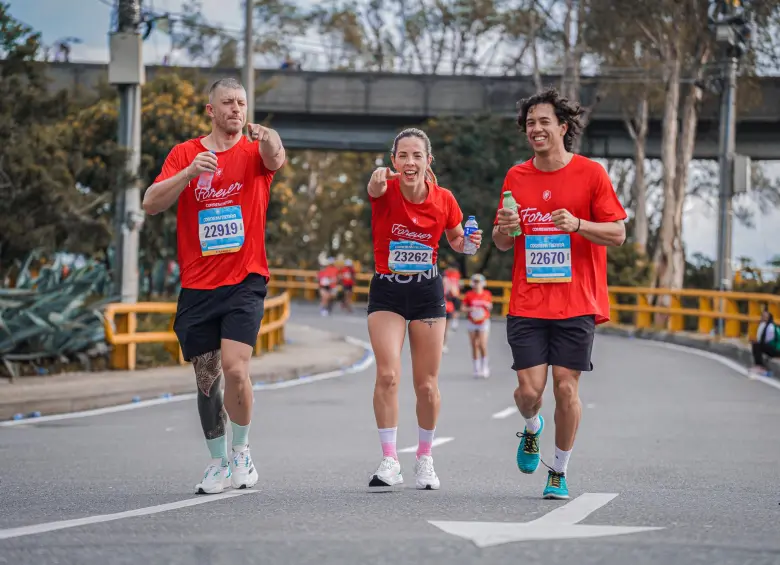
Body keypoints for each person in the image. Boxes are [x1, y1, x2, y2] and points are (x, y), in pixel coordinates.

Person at [142, 77, 286, 494]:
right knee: (207, 379)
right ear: (211, 109)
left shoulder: (255, 152)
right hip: (198, 285)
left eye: (241, 103)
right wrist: (189, 172)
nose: (236, 109)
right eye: (227, 102)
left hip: (245, 279)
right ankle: (218, 462)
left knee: (237, 369)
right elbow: (151, 203)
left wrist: (270, 135)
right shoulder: (185, 153)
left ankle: (242, 451)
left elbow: (276, 158)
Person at [492, 87, 627, 500]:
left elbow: (618, 234)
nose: (536, 129)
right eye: (530, 123)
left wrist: (579, 225)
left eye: (544, 122)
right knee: (529, 393)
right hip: (529, 301)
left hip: (576, 301)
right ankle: (532, 427)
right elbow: (501, 242)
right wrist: (504, 227)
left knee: (566, 389)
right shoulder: (516, 177)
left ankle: (559, 471)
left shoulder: (591, 174)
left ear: (563, 127)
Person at [365, 127, 482, 490]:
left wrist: (469, 245)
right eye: (403, 156)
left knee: (427, 386)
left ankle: (425, 458)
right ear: (394, 161)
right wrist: (375, 179)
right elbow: (373, 188)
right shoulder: (385, 189)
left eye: (417, 155)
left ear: (428, 161)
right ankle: (389, 460)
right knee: (387, 375)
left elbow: (457, 239)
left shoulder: (444, 199)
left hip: (427, 292)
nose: (410, 162)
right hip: (387, 291)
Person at [462, 273, 493, 378]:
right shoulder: (469, 295)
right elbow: (463, 308)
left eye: (479, 282)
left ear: (482, 283)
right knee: (474, 345)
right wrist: (471, 309)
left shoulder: (487, 294)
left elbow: (490, 306)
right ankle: (476, 368)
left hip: (483, 322)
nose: (477, 284)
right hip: (472, 321)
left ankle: (485, 367)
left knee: (482, 344)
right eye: (475, 282)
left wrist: (487, 306)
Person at [750, 308, 779, 374]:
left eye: (765, 316)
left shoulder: (770, 327)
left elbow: (770, 341)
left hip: (776, 349)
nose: (763, 318)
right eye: (762, 316)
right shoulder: (763, 325)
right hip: (770, 347)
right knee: (756, 344)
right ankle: (759, 365)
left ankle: (760, 366)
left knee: (757, 345)